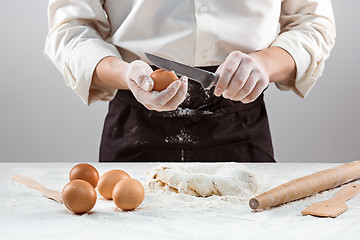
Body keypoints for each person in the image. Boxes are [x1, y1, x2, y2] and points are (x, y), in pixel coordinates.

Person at [45, 0, 335, 162]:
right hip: (135, 122)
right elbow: (71, 29)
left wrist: (264, 64)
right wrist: (125, 74)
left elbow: (312, 22)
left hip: (241, 125)